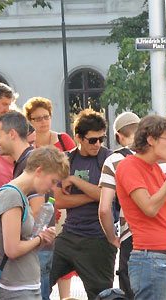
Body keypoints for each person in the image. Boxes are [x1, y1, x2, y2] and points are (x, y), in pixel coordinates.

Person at [116, 115, 166, 299]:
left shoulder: (155, 169)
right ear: (151, 139)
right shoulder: (129, 166)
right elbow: (149, 208)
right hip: (150, 258)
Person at [50, 108, 115, 300]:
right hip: (69, 235)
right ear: (78, 137)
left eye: (101, 139)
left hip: (98, 239)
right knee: (41, 280)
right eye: (92, 140)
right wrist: (98, 193)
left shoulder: (108, 158)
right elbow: (60, 201)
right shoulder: (67, 160)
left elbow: (110, 196)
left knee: (102, 295)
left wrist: (77, 182)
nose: (98, 144)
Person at [0, 146, 69, 299]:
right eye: (53, 181)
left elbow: (22, 242)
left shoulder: (20, 195)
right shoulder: (12, 195)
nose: (53, 188)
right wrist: (40, 238)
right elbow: (12, 249)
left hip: (24, 284)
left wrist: (40, 238)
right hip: (16, 287)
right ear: (39, 171)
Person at [23, 96, 76, 299]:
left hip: (62, 202)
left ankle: (65, 296)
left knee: (62, 252)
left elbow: (72, 169)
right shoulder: (29, 145)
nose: (43, 122)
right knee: (44, 252)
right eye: (37, 119)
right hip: (39, 202)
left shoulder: (63, 140)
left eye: (46, 117)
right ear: (30, 121)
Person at [98, 111, 140, 299]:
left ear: (118, 136)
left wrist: (112, 237)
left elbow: (104, 208)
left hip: (132, 235)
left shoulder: (114, 160)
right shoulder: (165, 156)